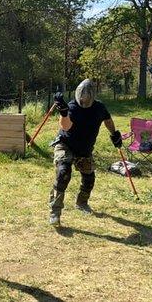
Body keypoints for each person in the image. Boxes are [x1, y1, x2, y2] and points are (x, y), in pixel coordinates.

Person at [48, 78, 123, 227]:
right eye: (82, 99)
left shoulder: (99, 107)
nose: (84, 101)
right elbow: (66, 126)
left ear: (92, 96)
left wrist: (114, 133)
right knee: (63, 173)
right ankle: (55, 212)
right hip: (66, 145)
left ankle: (82, 203)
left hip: (85, 149)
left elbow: (107, 120)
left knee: (89, 179)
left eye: (87, 99)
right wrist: (63, 113)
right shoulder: (72, 107)